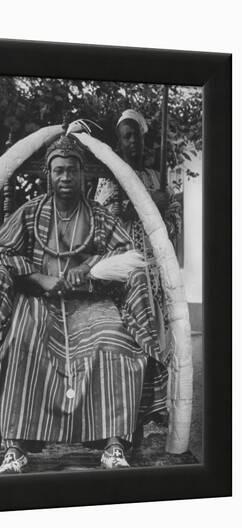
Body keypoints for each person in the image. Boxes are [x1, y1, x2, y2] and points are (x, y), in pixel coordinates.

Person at [0, 134, 163, 474]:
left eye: (72, 171)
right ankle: (14, 448)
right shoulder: (29, 214)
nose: (65, 178)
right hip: (37, 303)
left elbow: (127, 255)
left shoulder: (99, 217)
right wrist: (37, 277)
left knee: (116, 344)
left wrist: (90, 269)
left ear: (83, 175)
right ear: (49, 174)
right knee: (17, 345)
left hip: (91, 305)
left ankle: (114, 445)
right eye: (59, 170)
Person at [94, 109, 181, 427]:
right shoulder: (110, 174)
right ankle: (125, 407)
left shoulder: (155, 176)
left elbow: (172, 216)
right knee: (131, 330)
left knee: (159, 327)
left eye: (136, 136)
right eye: (126, 136)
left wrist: (164, 207)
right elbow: (105, 218)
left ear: (144, 139)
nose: (132, 142)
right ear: (119, 141)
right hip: (125, 262)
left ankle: (156, 403)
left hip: (154, 262)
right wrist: (147, 202)